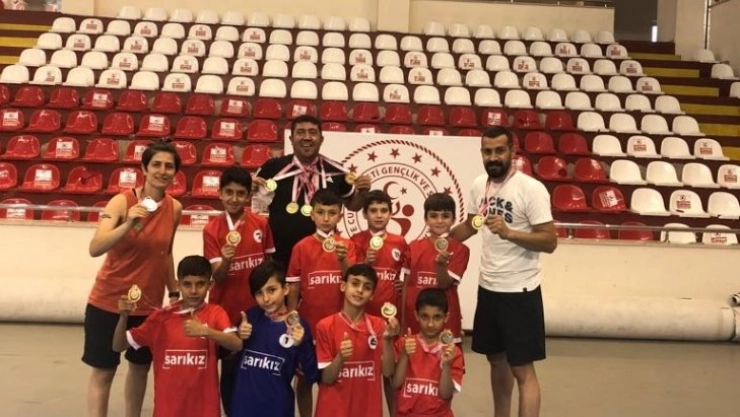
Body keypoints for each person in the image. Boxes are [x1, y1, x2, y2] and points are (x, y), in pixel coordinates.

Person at [450, 126, 557, 417]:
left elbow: (549, 241)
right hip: (489, 288)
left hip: (520, 292)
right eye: (488, 151)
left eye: (499, 150)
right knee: (496, 360)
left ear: (512, 152)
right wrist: (439, 240)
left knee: (522, 369)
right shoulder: (479, 186)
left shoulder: (530, 189)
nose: (493, 157)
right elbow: (471, 225)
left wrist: (510, 233)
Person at [83, 141, 183, 417]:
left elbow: (167, 252)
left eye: (169, 166)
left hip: (148, 306)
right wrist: (128, 223)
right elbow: (95, 247)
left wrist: (174, 291)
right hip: (108, 302)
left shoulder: (175, 208)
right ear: (144, 168)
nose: (162, 171)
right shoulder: (121, 201)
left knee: (140, 368)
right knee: (104, 370)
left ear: (175, 173)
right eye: (156, 164)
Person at [112, 255, 243, 417]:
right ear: (178, 285)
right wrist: (123, 316)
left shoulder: (216, 313)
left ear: (210, 285)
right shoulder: (160, 318)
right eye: (187, 284)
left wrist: (207, 332)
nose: (193, 291)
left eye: (200, 284)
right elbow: (118, 346)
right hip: (167, 412)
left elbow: (237, 344)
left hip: (205, 411)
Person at [253, 114, 372, 270]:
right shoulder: (273, 167)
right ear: (291, 138)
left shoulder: (337, 170)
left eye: (312, 132)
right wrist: (250, 187)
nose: (307, 137)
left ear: (321, 139)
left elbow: (353, 205)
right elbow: (256, 203)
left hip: (325, 253)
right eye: (301, 132)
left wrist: (363, 193)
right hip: (280, 255)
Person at [202, 166, 275, 415]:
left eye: (240, 193)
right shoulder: (212, 229)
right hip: (226, 312)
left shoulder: (261, 224)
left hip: (257, 311)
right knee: (231, 370)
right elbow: (218, 276)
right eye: (229, 192)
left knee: (258, 366)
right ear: (220, 193)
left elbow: (268, 270)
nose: (234, 198)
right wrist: (226, 259)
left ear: (248, 196)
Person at [286, 188, 358, 416]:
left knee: (336, 379)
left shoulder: (348, 245)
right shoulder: (301, 247)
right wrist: (290, 320)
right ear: (312, 214)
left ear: (340, 215)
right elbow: (294, 287)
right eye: (321, 212)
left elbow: (353, 281)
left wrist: (343, 259)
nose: (326, 218)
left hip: (338, 327)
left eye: (332, 213)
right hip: (308, 325)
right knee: (304, 379)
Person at [230, 260, 320, 417]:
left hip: (278, 410)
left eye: (272, 290)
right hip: (243, 409)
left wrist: (301, 345)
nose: (266, 298)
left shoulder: (298, 325)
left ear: (285, 289)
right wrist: (238, 337)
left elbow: (312, 375)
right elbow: (223, 353)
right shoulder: (249, 318)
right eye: (259, 293)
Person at [314, 264, 400, 417]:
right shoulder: (325, 326)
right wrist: (341, 357)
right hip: (333, 412)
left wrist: (387, 341)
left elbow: (388, 372)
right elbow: (326, 378)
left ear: (372, 295)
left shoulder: (379, 326)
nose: (360, 290)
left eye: (367, 287)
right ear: (343, 286)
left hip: (368, 411)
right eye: (355, 283)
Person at [350, 189, 408, 414]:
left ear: (391, 213)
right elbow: (351, 277)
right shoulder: (356, 240)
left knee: (390, 375)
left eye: (384, 210)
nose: (379, 215)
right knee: (362, 373)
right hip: (363, 318)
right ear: (364, 214)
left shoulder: (399, 241)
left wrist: (403, 284)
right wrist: (366, 262)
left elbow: (405, 273)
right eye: (373, 210)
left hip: (388, 319)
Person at [402, 193, 470, 344]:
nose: (439, 221)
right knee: (413, 357)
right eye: (433, 216)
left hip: (445, 320)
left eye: (445, 216)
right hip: (415, 319)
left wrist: (441, 266)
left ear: (453, 219)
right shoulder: (413, 247)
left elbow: (445, 284)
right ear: (426, 219)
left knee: (448, 358)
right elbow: (406, 287)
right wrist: (403, 322)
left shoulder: (460, 250)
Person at [390, 288, 464, 417]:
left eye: (437, 317)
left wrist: (447, 365)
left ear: (446, 317)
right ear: (416, 315)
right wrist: (405, 355)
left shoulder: (453, 352)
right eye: (425, 316)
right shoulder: (404, 344)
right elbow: (395, 384)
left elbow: (446, 394)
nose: (430, 324)